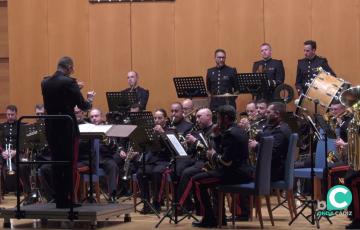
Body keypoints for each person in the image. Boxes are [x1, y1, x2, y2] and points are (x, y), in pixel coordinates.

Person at [41, 56, 95, 208]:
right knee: (69, 164)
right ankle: (69, 199)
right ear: (69, 67)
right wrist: (89, 99)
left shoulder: (44, 82)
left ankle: (59, 199)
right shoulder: (70, 82)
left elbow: (58, 98)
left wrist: (75, 88)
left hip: (51, 127)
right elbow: (83, 106)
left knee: (56, 163)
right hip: (66, 127)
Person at [191, 105, 252, 228]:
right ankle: (219, 217)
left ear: (225, 118)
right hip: (240, 171)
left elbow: (226, 161)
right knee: (208, 178)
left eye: (218, 118)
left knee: (197, 181)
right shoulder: (237, 130)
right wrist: (217, 136)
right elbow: (224, 152)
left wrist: (213, 155)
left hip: (234, 174)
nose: (217, 121)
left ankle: (208, 218)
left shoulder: (231, 134)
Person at [249, 102, 291, 181]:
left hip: (275, 172)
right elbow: (267, 135)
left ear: (277, 114)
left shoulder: (280, 131)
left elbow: (273, 152)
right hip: (272, 168)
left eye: (268, 112)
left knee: (242, 174)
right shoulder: (277, 127)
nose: (266, 114)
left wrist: (256, 146)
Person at [88, 108, 119, 202]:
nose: (94, 118)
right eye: (92, 117)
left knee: (113, 166)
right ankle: (85, 194)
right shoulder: (87, 128)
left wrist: (108, 141)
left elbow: (114, 147)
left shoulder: (108, 128)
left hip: (104, 158)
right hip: (91, 159)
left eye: (96, 116)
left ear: (101, 116)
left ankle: (112, 194)